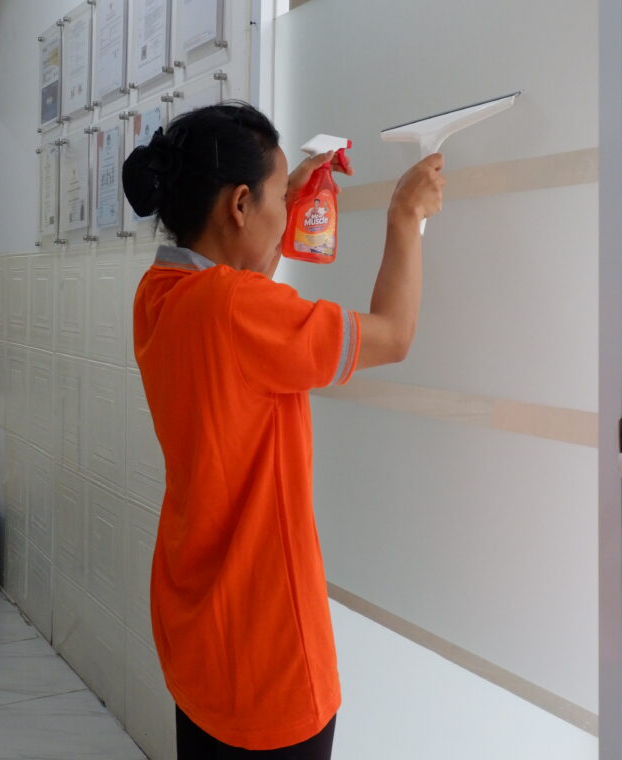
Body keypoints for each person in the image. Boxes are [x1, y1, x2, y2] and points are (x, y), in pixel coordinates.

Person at [122, 101, 444, 759]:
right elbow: (393, 335)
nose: (283, 213)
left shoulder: (159, 293)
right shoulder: (234, 309)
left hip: (199, 637)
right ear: (239, 206)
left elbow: (238, 287)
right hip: (270, 661)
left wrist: (288, 194)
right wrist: (404, 216)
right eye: (274, 199)